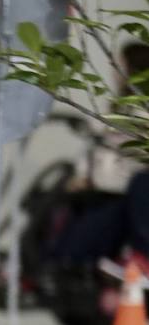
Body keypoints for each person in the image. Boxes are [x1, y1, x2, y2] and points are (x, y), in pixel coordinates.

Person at [46, 41, 149, 271]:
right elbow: (96, 149)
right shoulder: (117, 110)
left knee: (80, 240)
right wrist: (82, 175)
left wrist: (94, 179)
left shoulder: (142, 115)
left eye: (119, 65)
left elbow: (131, 164)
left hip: (117, 196)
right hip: (98, 192)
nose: (114, 71)